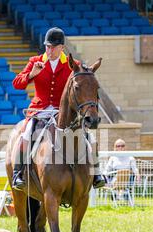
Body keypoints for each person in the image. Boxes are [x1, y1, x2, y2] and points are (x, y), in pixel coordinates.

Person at [11, 27, 105, 190]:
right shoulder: (35, 61)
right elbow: (17, 83)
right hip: (40, 110)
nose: (49, 50)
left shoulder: (73, 65)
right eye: (47, 46)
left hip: (64, 112)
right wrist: (32, 74)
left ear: (62, 47)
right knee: (26, 134)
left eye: (53, 47)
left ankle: (96, 173)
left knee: (90, 138)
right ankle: (18, 174)